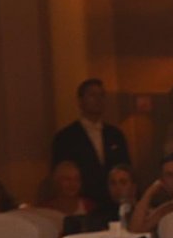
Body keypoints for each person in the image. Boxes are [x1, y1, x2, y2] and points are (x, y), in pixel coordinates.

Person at [51, 78, 131, 209]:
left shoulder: (115, 134)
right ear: (80, 101)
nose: (98, 100)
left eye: (101, 95)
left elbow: (126, 168)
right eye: (92, 95)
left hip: (114, 203)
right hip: (82, 204)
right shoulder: (66, 137)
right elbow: (60, 176)